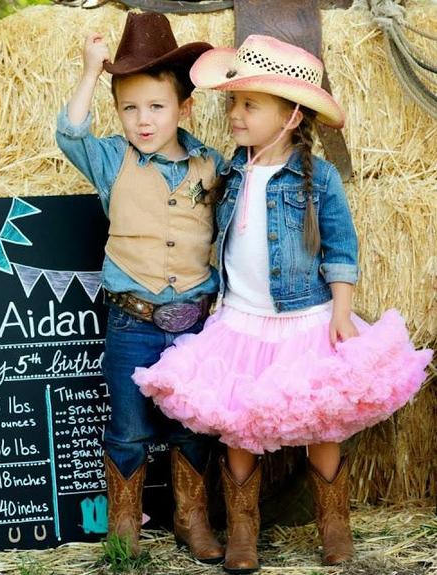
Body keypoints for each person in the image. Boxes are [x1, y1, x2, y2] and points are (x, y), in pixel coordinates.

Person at [133, 34, 433, 573]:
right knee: (241, 424)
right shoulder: (228, 171)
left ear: (291, 116)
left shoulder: (317, 180)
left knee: (323, 425)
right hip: (241, 323)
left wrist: (342, 311)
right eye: (232, 102)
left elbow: (342, 249)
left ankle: (333, 525)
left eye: (250, 104)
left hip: (306, 320)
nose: (235, 114)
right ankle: (243, 530)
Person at [56, 12, 226, 563]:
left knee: (192, 429)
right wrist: (89, 71)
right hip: (132, 321)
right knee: (128, 429)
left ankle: (191, 517)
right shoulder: (111, 159)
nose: (143, 120)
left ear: (185, 107)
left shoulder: (211, 165)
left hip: (195, 322)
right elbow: (70, 131)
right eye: (129, 108)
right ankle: (124, 525)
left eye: (156, 106)